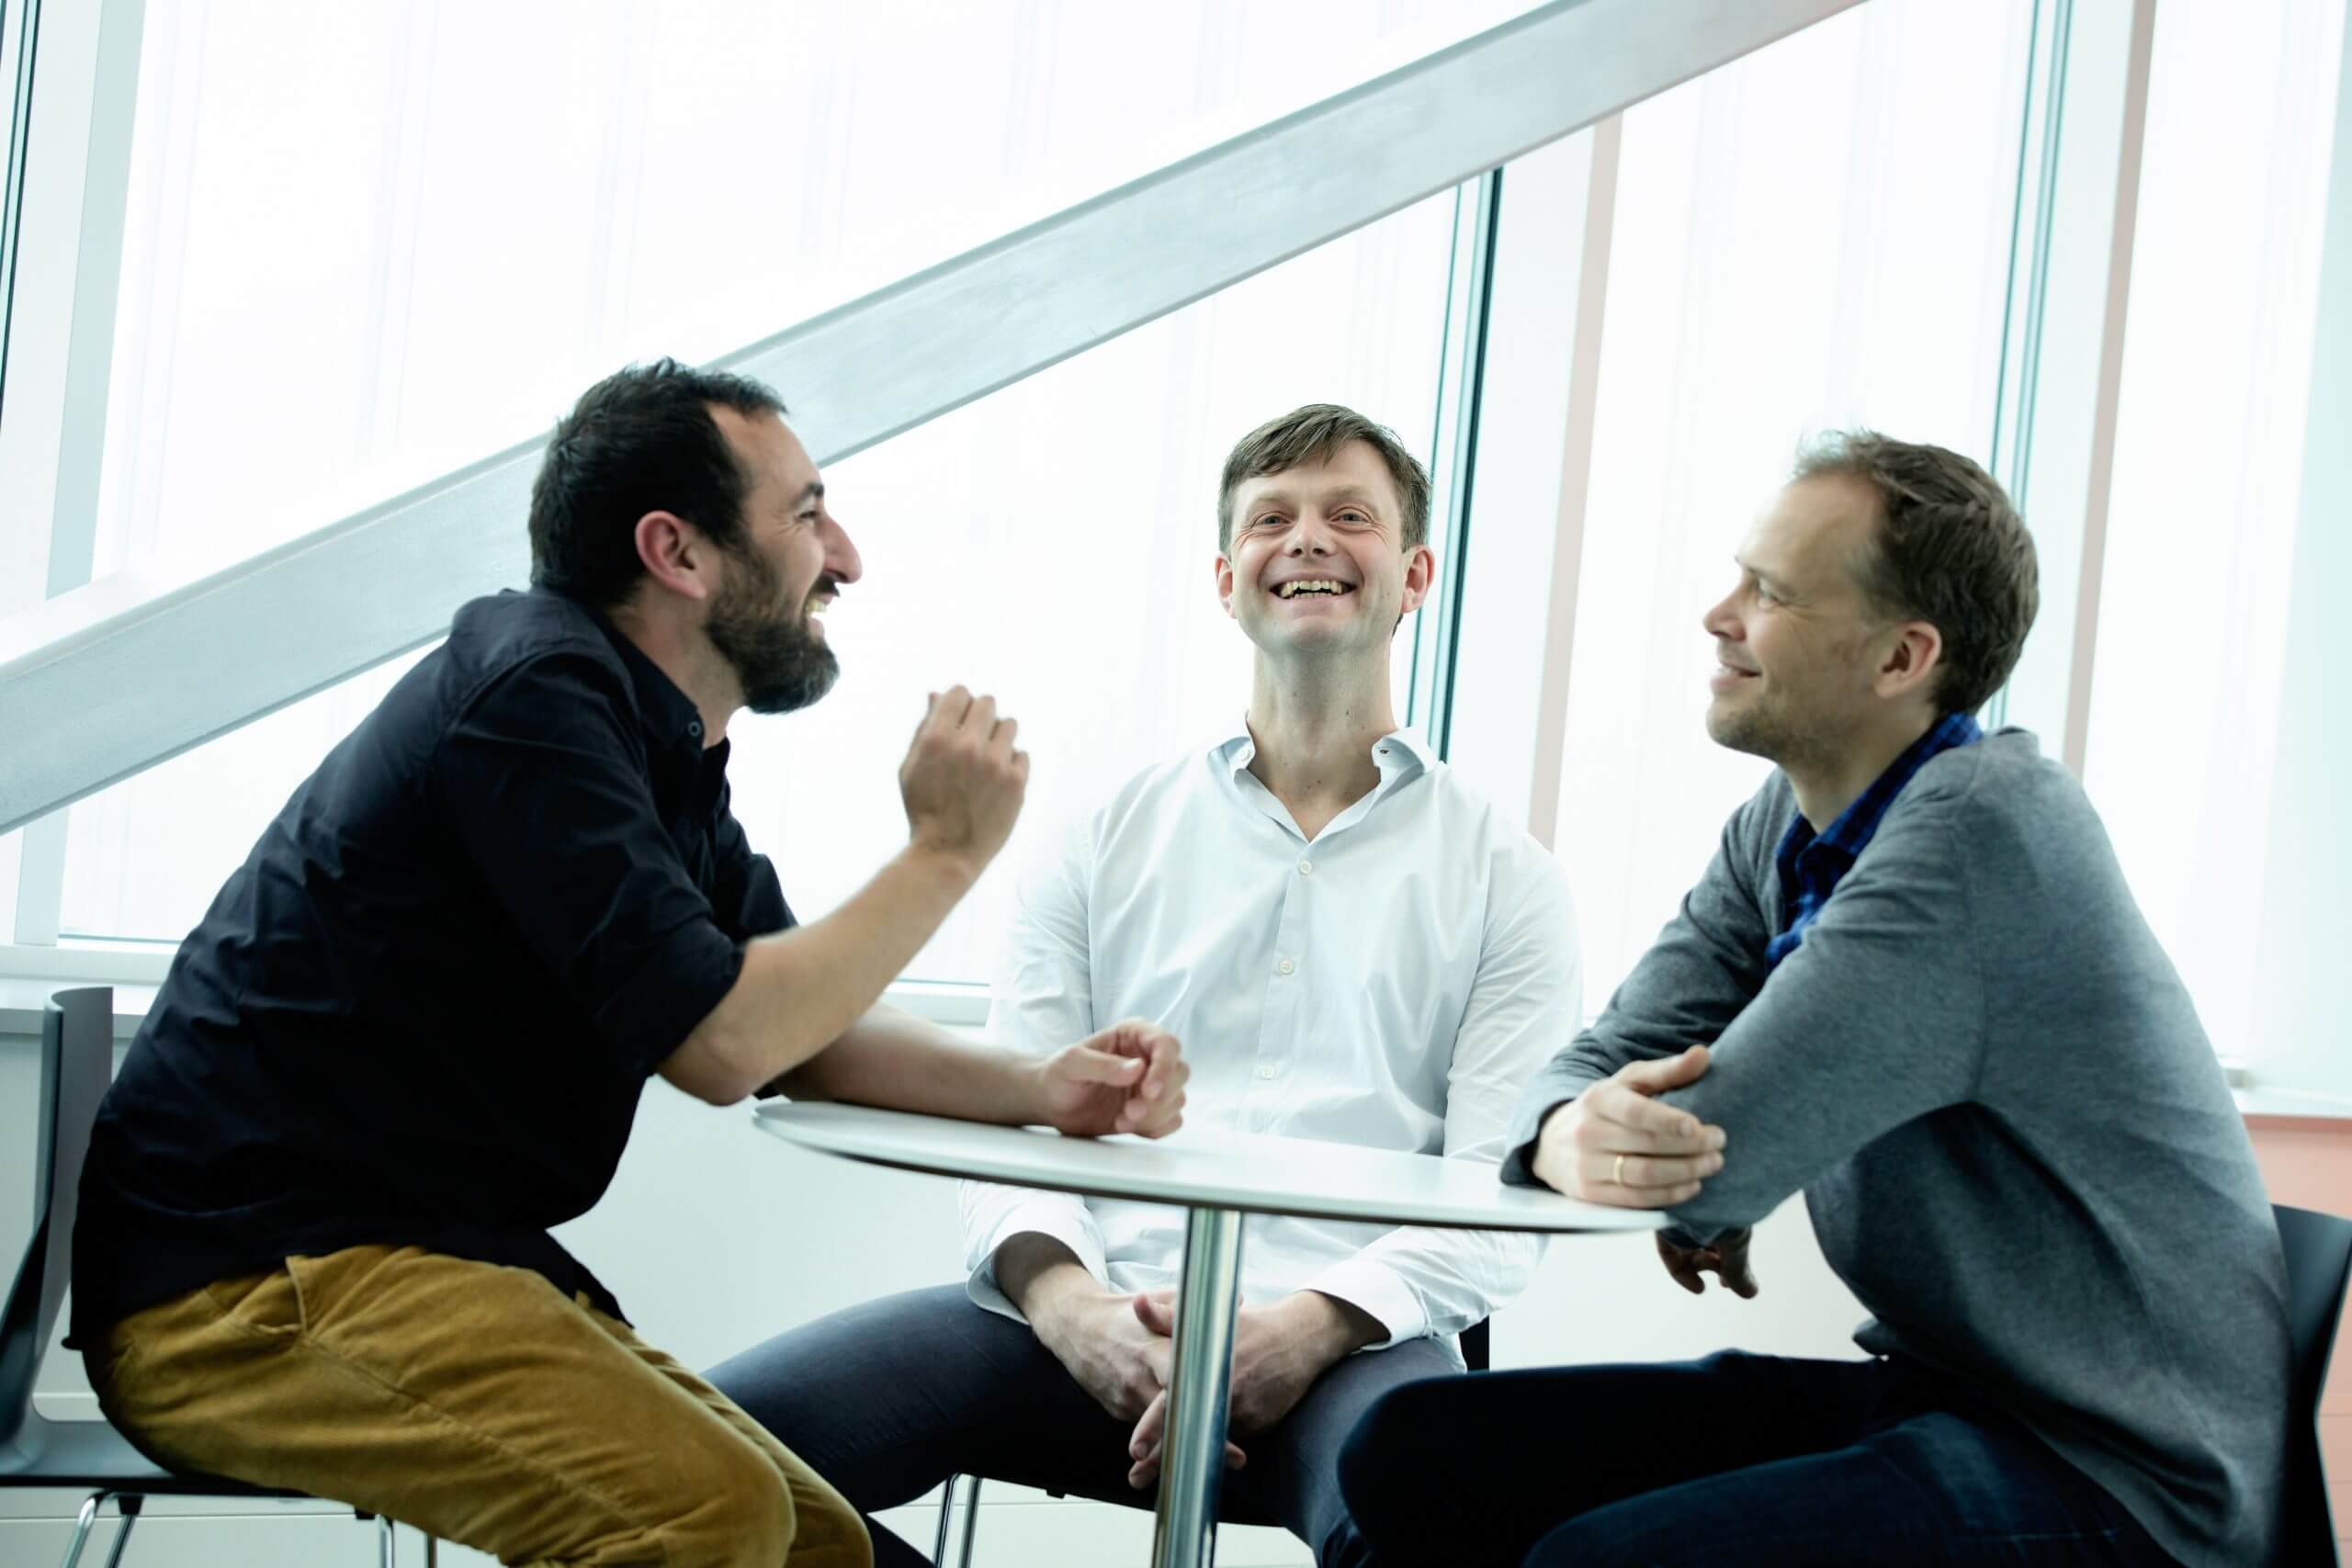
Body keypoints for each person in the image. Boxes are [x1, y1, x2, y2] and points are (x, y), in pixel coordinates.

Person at [69, 359, 1189, 1568]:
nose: (848, 556)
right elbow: (722, 1043)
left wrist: (1040, 1087)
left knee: (824, 1544)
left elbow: (794, 1028)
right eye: (807, 515)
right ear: (679, 551)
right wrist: (942, 854)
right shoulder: (531, 695)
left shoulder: (647, 747)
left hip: (407, 1256)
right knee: (709, 1516)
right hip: (242, 1290)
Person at [1336, 432, 2289, 1568]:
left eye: (1770, 592)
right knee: (1411, 1448)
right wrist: (1564, 1130)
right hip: (1944, 1400)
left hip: (2122, 1479)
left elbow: (1712, 1156)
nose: (1717, 614)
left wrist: (1648, 1151)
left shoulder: (1981, 835)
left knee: (1603, 1562)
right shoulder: (1784, 827)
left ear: (1901, 658)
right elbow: (1604, 1062)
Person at [708, 403, 1580, 1566]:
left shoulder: (1508, 878)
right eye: (1272, 519)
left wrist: (1297, 1333)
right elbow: (1001, 1125)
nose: (1308, 539)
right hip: (1077, 1314)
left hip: (1346, 1345)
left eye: (1349, 516)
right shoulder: (1098, 837)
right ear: (1227, 581)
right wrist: (1073, 1314)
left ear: (1414, 573)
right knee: (704, 1457)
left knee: (1441, 1518)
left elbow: (1495, 1195)